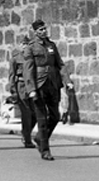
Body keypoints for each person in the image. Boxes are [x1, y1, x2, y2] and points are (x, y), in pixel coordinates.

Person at [23, 19, 74, 161]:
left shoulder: (51, 45)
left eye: (45, 29)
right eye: (40, 30)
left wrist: (67, 81)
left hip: (53, 84)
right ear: (35, 32)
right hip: (39, 85)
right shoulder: (31, 47)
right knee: (42, 119)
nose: (44, 31)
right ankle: (45, 151)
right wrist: (31, 88)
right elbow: (28, 69)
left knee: (55, 116)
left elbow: (60, 64)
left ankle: (40, 138)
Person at [9, 36, 37, 149]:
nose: (25, 46)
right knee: (26, 114)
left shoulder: (32, 57)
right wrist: (13, 91)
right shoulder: (15, 58)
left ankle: (26, 133)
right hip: (21, 86)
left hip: (31, 86)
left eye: (27, 44)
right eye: (23, 44)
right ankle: (27, 139)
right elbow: (11, 75)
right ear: (20, 45)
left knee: (35, 114)